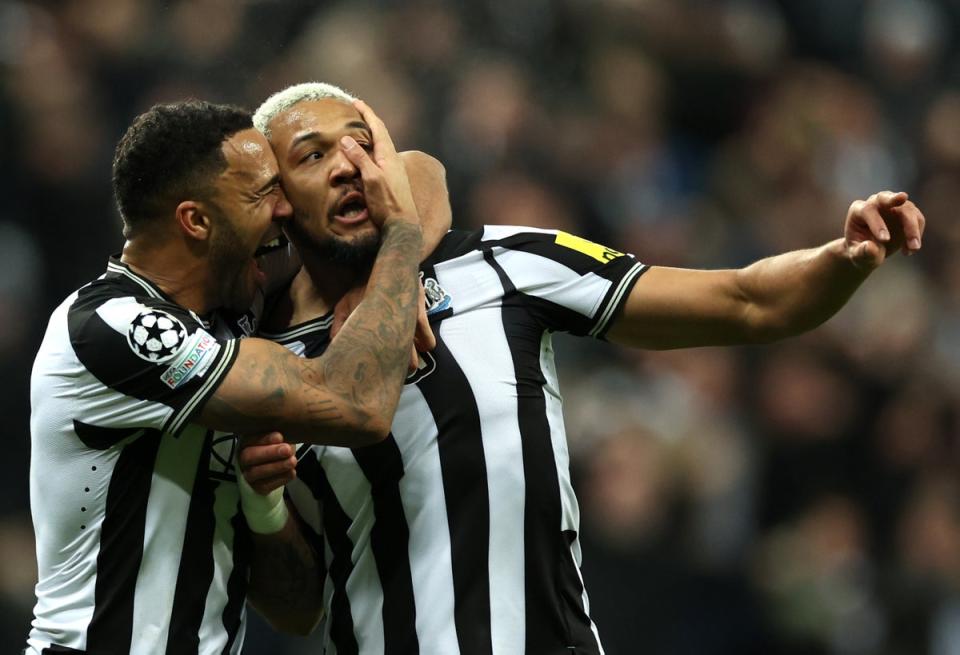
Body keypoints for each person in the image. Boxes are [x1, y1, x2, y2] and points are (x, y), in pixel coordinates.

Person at [239, 82, 927, 654]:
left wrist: (841, 257)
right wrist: (263, 502)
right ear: (278, 200)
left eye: (363, 142)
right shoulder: (261, 366)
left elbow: (745, 301)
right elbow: (296, 606)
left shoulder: (504, 262)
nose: (347, 163)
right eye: (313, 153)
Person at [25, 98, 450, 654]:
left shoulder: (232, 301)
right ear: (197, 221)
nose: (284, 211)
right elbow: (358, 403)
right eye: (261, 194)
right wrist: (398, 240)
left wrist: (263, 504)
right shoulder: (114, 328)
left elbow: (420, 171)